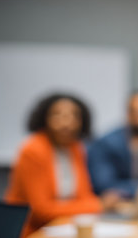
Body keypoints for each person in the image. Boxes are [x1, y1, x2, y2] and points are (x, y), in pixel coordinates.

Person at [5, 93, 102, 237]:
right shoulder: (33, 150)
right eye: (57, 115)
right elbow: (41, 211)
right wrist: (98, 205)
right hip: (31, 231)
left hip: (63, 227)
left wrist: (89, 205)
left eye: (73, 116)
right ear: (45, 118)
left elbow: (83, 195)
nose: (66, 122)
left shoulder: (75, 148)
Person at [87, 91, 138, 212]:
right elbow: (105, 186)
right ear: (129, 114)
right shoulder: (107, 143)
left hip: (132, 208)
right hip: (107, 212)